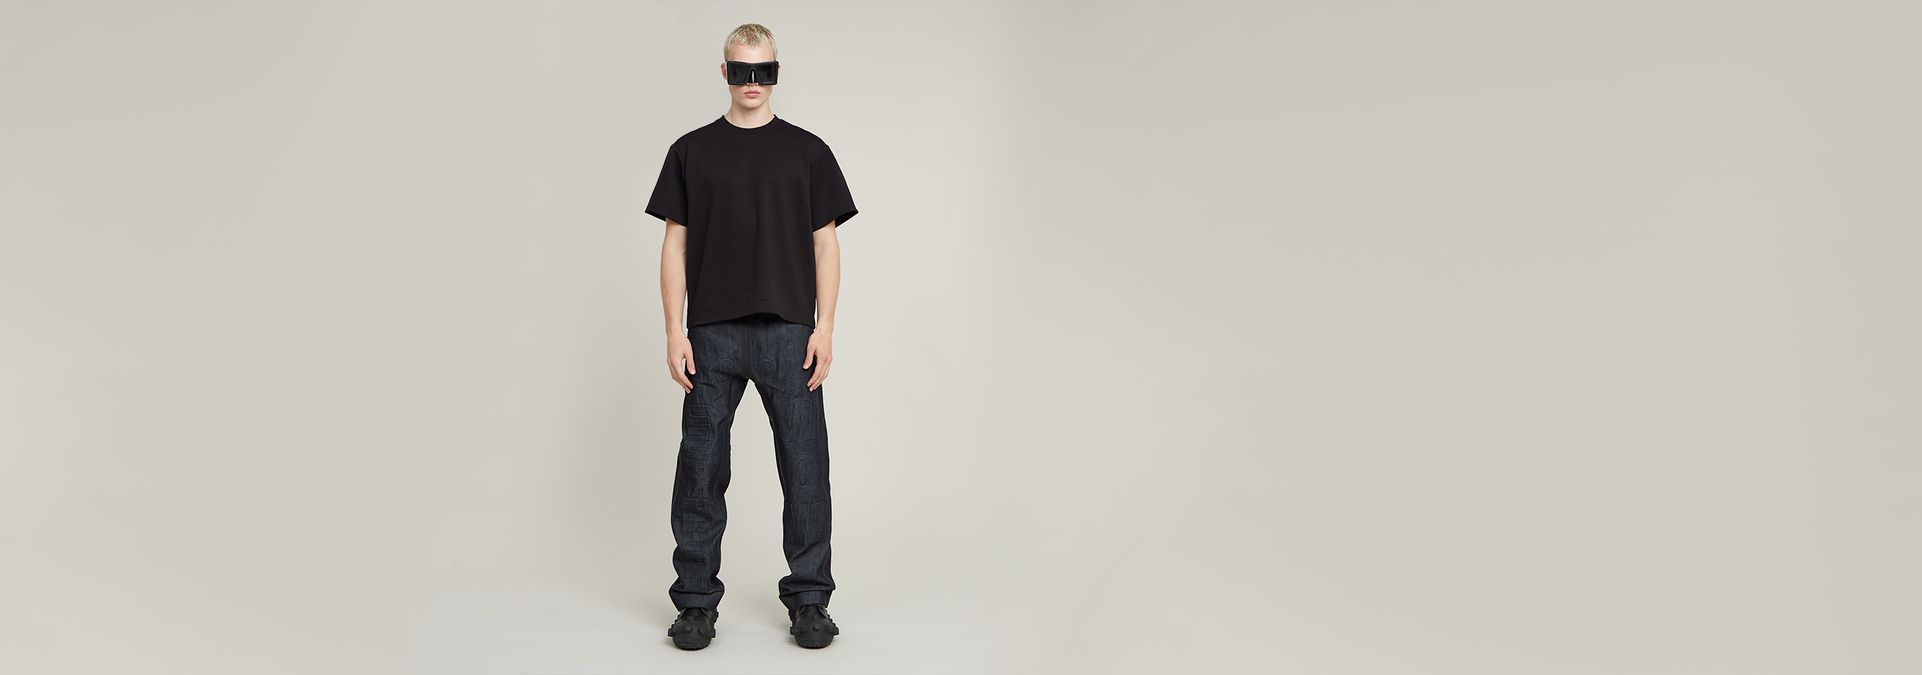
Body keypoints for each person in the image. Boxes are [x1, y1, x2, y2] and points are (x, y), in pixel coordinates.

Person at [643, 23, 857, 651]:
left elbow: (827, 245)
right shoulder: (691, 151)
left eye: (763, 71)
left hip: (789, 332)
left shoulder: (808, 152)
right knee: (700, 471)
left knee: (805, 468)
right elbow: (674, 245)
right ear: (724, 73)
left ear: (777, 73)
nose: (752, 83)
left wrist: (825, 327)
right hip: (710, 334)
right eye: (741, 71)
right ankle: (695, 604)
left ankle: (811, 601)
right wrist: (673, 330)